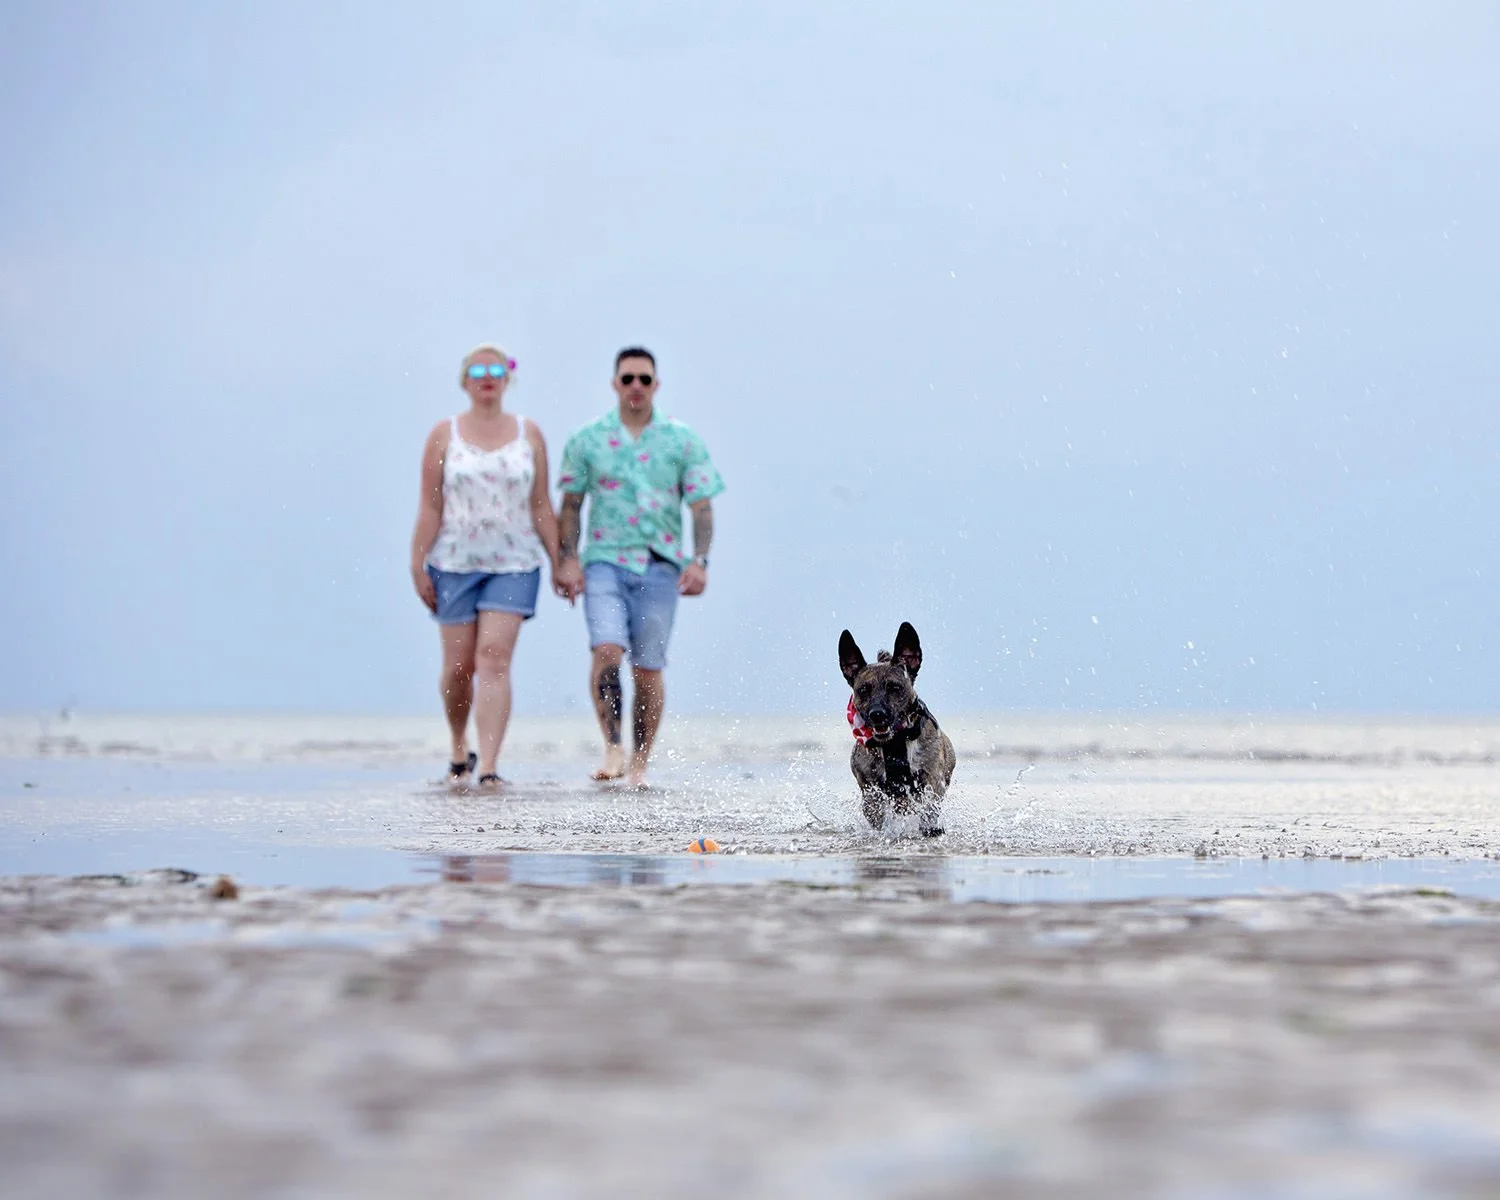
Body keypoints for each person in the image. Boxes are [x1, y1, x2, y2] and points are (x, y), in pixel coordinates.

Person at [553, 347, 724, 787]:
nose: (635, 386)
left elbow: (702, 507)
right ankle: (613, 749)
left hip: (661, 564)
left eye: (644, 379)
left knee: (648, 667)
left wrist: (700, 561)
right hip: (605, 560)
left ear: (656, 385)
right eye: (627, 378)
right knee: (606, 649)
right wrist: (567, 559)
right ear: (614, 383)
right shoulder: (587, 439)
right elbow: (571, 505)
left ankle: (641, 762)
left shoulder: (681, 439)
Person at [410, 344, 570, 789]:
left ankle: (491, 767)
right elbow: (430, 504)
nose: (487, 376)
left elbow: (541, 505)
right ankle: (460, 745)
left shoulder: (529, 434)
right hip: (453, 561)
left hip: (515, 561)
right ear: (464, 381)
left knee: (494, 659)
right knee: (459, 667)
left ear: (507, 378)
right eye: (477, 370)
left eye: (495, 369)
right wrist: (417, 563)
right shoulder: (445, 435)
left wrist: (560, 561)